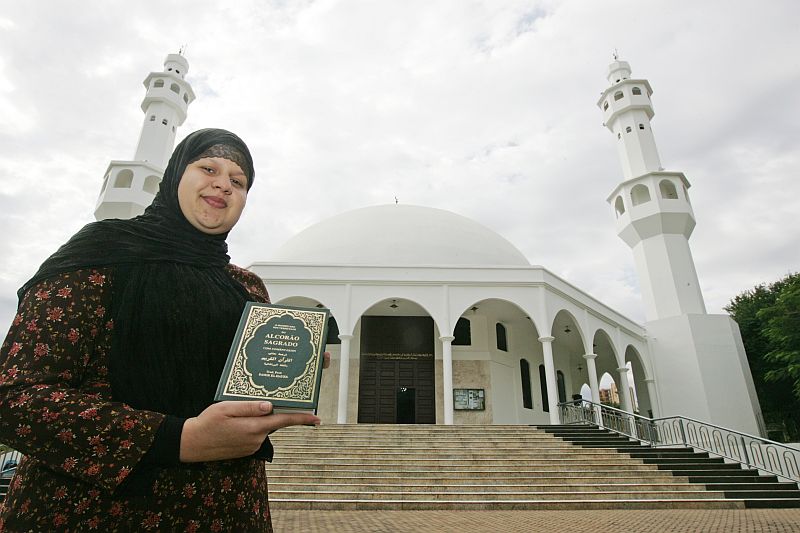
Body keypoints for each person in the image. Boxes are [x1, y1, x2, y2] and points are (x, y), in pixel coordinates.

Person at [0, 129, 322, 532]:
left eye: (238, 181)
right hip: (94, 512)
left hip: (227, 510)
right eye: (209, 168)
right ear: (173, 177)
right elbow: (16, 397)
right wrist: (177, 439)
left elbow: (238, 392)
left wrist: (290, 373)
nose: (223, 183)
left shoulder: (246, 288)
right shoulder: (101, 256)